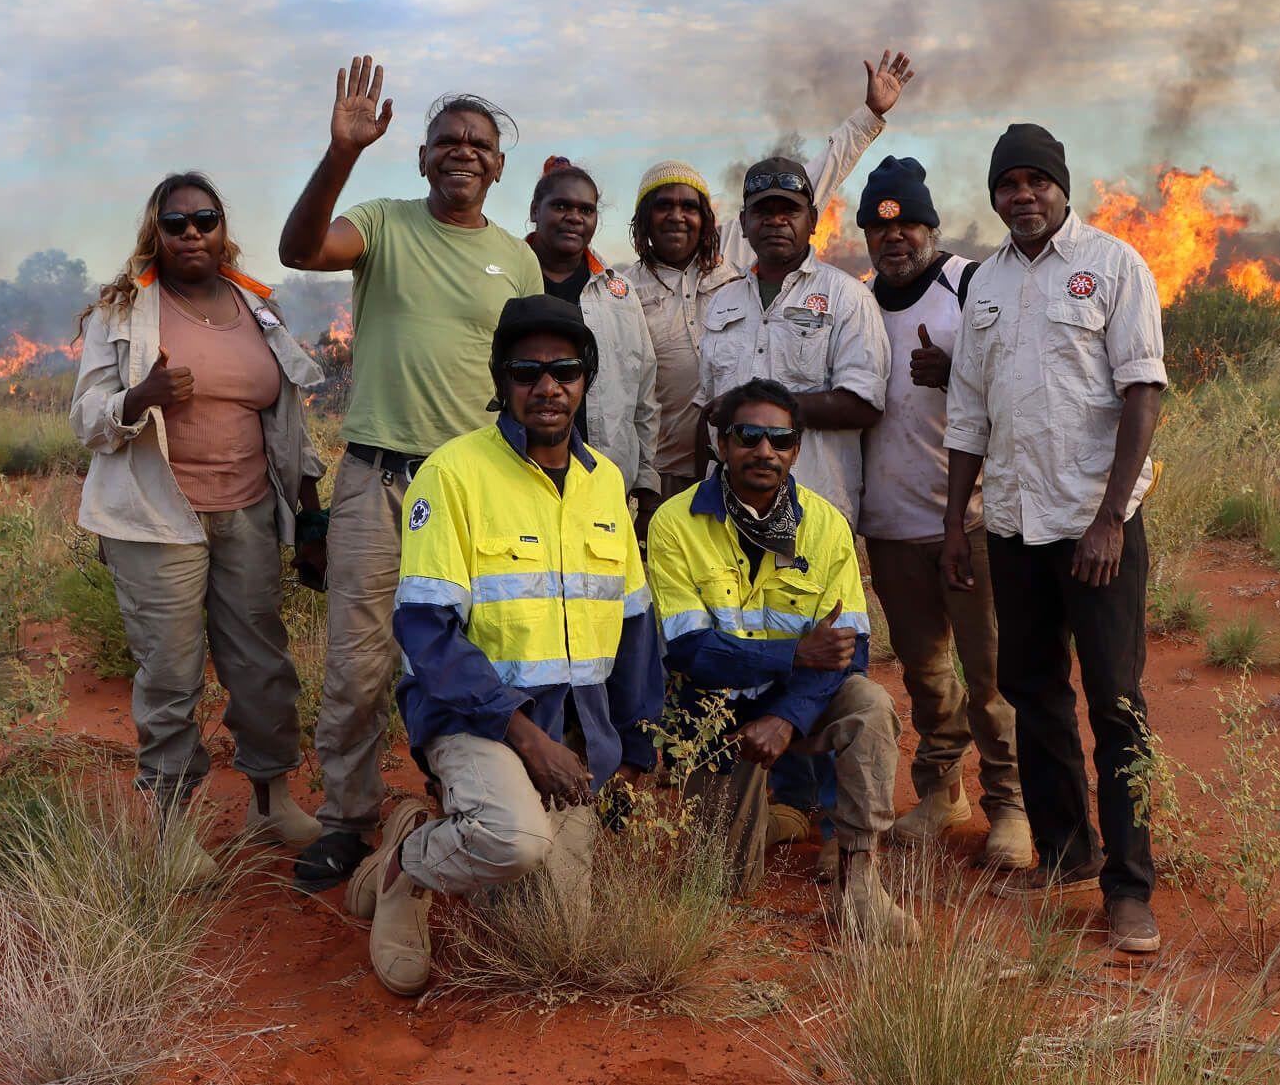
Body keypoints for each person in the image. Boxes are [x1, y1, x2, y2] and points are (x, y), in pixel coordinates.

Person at [275, 57, 545, 890]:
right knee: (358, 665)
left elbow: (528, 380)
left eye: (479, 143)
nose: (463, 151)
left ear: (499, 166)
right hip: (379, 482)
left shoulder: (518, 262)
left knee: (470, 653)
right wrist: (342, 151)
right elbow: (300, 246)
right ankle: (349, 820)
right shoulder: (383, 223)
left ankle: (461, 804)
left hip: (471, 491)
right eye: (447, 141)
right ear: (422, 157)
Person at [348, 296, 663, 997]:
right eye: (526, 370)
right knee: (516, 842)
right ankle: (407, 865)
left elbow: (634, 623)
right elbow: (428, 631)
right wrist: (524, 735)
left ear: (586, 379)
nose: (546, 386)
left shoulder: (605, 480)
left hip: (571, 728)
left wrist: (636, 743)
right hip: (476, 717)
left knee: (558, 938)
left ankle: (459, 826)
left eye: (564, 370)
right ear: (501, 380)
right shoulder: (454, 473)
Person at [941, 124, 1167, 954]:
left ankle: (1129, 886)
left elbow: (1142, 390)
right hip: (1012, 523)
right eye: (1009, 184)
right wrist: (954, 524)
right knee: (1032, 689)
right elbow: (968, 411)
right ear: (995, 195)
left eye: (1037, 181)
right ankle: (1067, 850)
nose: (1023, 196)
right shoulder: (986, 285)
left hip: (1093, 525)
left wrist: (1111, 517)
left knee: (1114, 700)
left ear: (1063, 188)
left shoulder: (1113, 265)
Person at [71, 171, 327, 875]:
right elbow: (84, 417)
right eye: (177, 222)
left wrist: (309, 517)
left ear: (223, 230)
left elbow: (288, 420)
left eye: (205, 221)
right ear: (155, 230)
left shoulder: (255, 307)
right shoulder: (122, 312)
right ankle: (169, 827)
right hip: (157, 520)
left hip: (247, 510)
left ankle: (271, 800)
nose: (192, 234)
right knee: (172, 674)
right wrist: (139, 395)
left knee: (262, 663)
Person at [646, 379, 918, 945]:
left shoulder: (825, 525)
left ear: (796, 450)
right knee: (721, 884)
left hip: (801, 704)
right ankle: (766, 820)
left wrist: (787, 718)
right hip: (713, 711)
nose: (764, 450)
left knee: (869, 704)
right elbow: (689, 651)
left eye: (780, 439)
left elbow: (852, 653)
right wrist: (794, 651)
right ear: (722, 444)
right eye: (748, 436)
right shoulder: (674, 524)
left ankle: (859, 882)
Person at [627, 49, 916, 499]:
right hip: (666, 473)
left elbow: (817, 177)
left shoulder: (738, 264)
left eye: (689, 207)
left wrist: (869, 116)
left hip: (814, 498)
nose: (677, 218)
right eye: (662, 207)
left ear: (711, 220)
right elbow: (704, 409)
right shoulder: (625, 291)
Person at [855, 156, 1031, 870]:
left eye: (909, 225)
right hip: (891, 524)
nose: (894, 240)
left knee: (990, 674)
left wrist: (955, 373)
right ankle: (940, 791)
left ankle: (1012, 803)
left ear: (931, 226)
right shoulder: (859, 303)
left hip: (974, 522)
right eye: (879, 227)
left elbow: (1023, 376)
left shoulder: (972, 287)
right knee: (925, 671)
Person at [694, 159, 890, 525]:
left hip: (815, 510)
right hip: (726, 512)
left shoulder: (847, 297)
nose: (775, 221)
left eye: (789, 210)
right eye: (763, 212)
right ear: (744, 224)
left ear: (813, 221)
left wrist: (757, 412)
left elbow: (864, 405)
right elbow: (706, 411)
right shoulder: (723, 301)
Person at [524, 156, 660, 517]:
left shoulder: (619, 292)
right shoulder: (507, 281)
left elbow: (644, 392)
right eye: (561, 206)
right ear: (536, 209)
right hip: (517, 477)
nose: (574, 217)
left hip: (603, 483)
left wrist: (646, 482)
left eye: (586, 209)